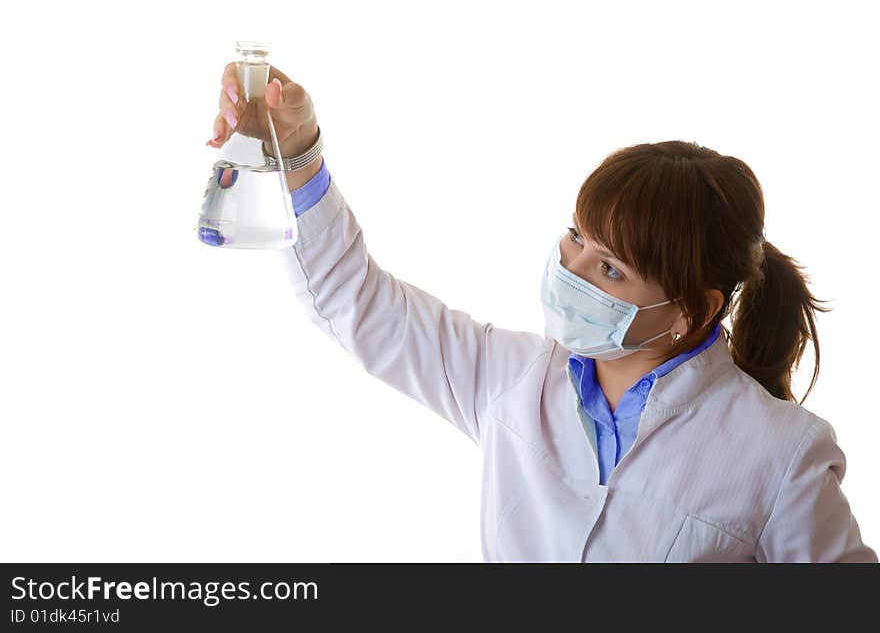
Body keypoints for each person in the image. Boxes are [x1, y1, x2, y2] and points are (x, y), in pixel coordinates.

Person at [207, 62, 877, 563]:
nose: (572, 271)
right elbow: (356, 301)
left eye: (611, 269)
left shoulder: (780, 454)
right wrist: (296, 153)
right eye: (578, 238)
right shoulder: (512, 378)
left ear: (693, 310)